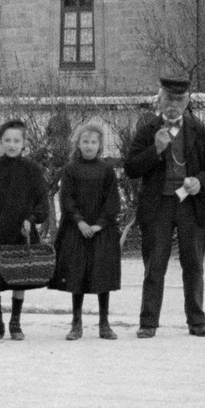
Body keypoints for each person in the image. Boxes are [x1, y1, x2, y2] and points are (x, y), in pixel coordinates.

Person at [123, 77, 205, 338]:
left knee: (193, 264)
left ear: (187, 101)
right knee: (154, 264)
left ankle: (197, 320)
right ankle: (148, 322)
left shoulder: (198, 130)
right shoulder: (148, 130)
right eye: (168, 99)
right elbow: (131, 168)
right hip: (159, 205)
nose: (172, 105)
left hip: (190, 205)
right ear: (160, 99)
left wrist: (200, 182)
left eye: (178, 100)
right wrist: (155, 150)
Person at [0, 119, 49, 341]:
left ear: (24, 143)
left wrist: (32, 219)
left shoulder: (32, 170)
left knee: (19, 276)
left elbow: (42, 203)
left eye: (17, 140)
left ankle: (15, 323)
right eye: (7, 140)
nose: (12, 145)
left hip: (21, 232)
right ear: (0, 143)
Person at [50, 118, 122, 341]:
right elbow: (66, 199)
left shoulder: (107, 170)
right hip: (76, 230)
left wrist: (99, 224)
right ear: (78, 144)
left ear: (100, 145)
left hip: (102, 231)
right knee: (76, 276)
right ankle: (76, 323)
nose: (89, 145)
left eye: (93, 142)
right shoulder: (70, 169)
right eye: (85, 141)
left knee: (102, 276)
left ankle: (104, 323)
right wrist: (80, 222)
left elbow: (112, 201)